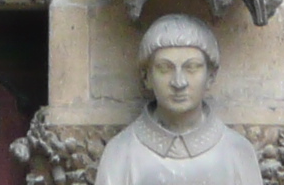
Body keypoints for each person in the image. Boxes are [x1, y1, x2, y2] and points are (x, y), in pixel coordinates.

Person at [94, 15, 264, 185]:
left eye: (191, 68)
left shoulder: (238, 153)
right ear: (146, 77)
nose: (179, 82)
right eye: (165, 68)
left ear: (210, 76)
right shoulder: (120, 154)